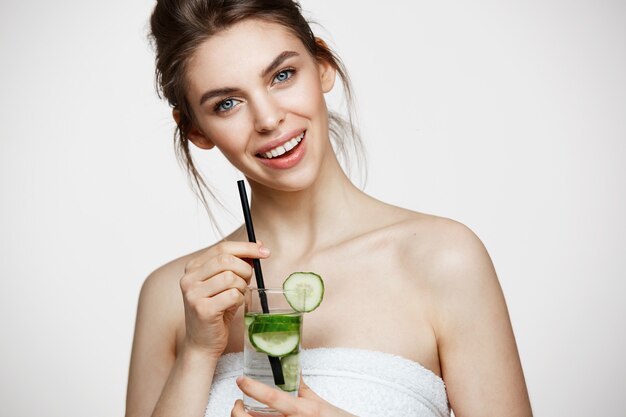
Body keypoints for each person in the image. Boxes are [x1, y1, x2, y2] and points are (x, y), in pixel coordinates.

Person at [126, 1, 533, 416]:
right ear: (196, 129)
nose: (268, 119)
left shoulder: (443, 259)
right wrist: (197, 351)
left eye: (282, 76)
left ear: (322, 66)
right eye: (227, 103)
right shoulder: (173, 297)